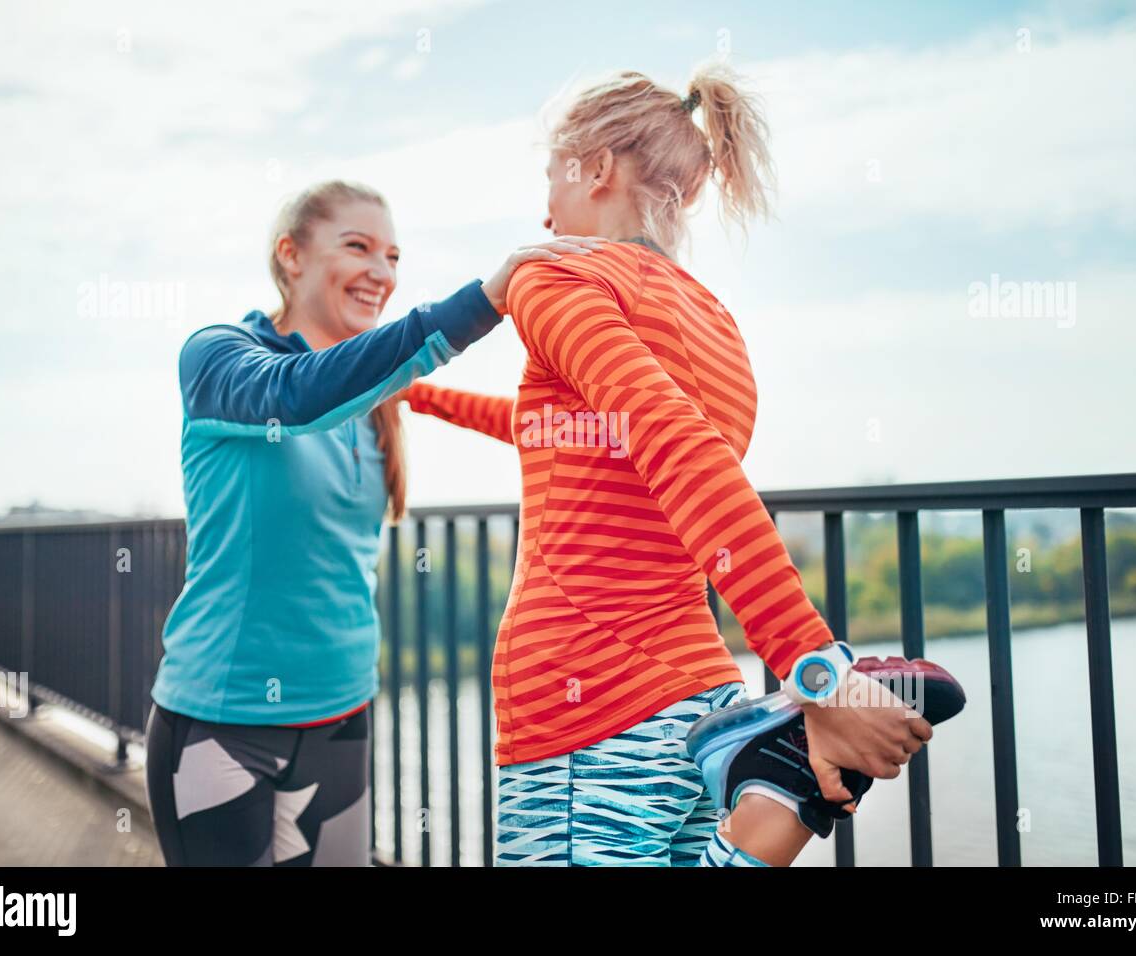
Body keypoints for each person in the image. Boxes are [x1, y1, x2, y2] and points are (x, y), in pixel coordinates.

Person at [404, 65, 954, 866]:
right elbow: (572, 437)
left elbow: (676, 450)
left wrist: (816, 668)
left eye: (549, 177)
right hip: (696, 695)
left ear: (595, 167)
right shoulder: (715, 321)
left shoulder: (552, 273)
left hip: (582, 695)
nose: (542, 209)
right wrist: (415, 399)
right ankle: (786, 784)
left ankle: (794, 765)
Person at [143, 179, 603, 866]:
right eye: (357, 248)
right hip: (223, 723)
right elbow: (293, 396)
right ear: (291, 256)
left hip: (341, 714)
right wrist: (484, 301)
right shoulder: (220, 356)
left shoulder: (379, 398)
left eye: (393, 256)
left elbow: (518, 420)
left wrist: (616, 426)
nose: (381, 274)